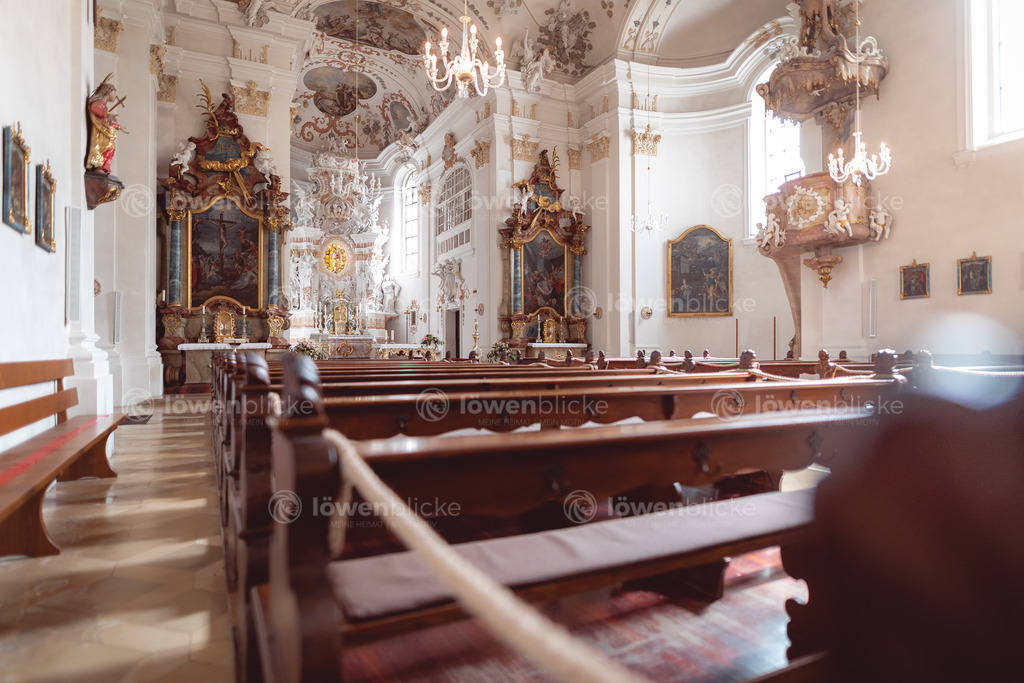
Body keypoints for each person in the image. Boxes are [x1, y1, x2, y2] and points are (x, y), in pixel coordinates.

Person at [86, 77, 123, 174]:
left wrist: (118, 126)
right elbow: (93, 108)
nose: (115, 96)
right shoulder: (99, 102)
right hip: (100, 133)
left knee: (111, 147)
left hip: (104, 130)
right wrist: (107, 114)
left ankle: (103, 167)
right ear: (108, 92)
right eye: (114, 93)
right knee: (108, 147)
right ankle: (100, 166)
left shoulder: (103, 105)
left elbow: (106, 121)